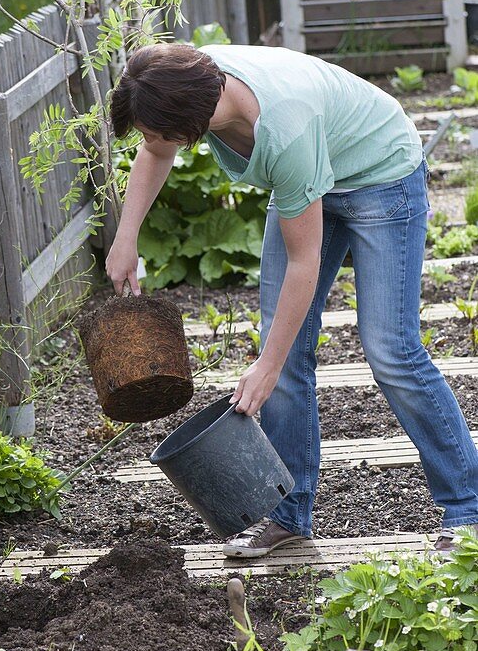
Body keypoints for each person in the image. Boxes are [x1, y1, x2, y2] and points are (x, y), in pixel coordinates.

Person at [105, 41, 478, 557]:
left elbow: (304, 265)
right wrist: (126, 238)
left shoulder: (285, 130)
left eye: (155, 129)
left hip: (379, 175)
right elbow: (155, 149)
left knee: (390, 349)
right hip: (308, 179)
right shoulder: (181, 77)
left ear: (192, 117)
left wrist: (268, 366)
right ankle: (288, 514)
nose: (152, 139)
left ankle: (466, 510)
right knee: (280, 345)